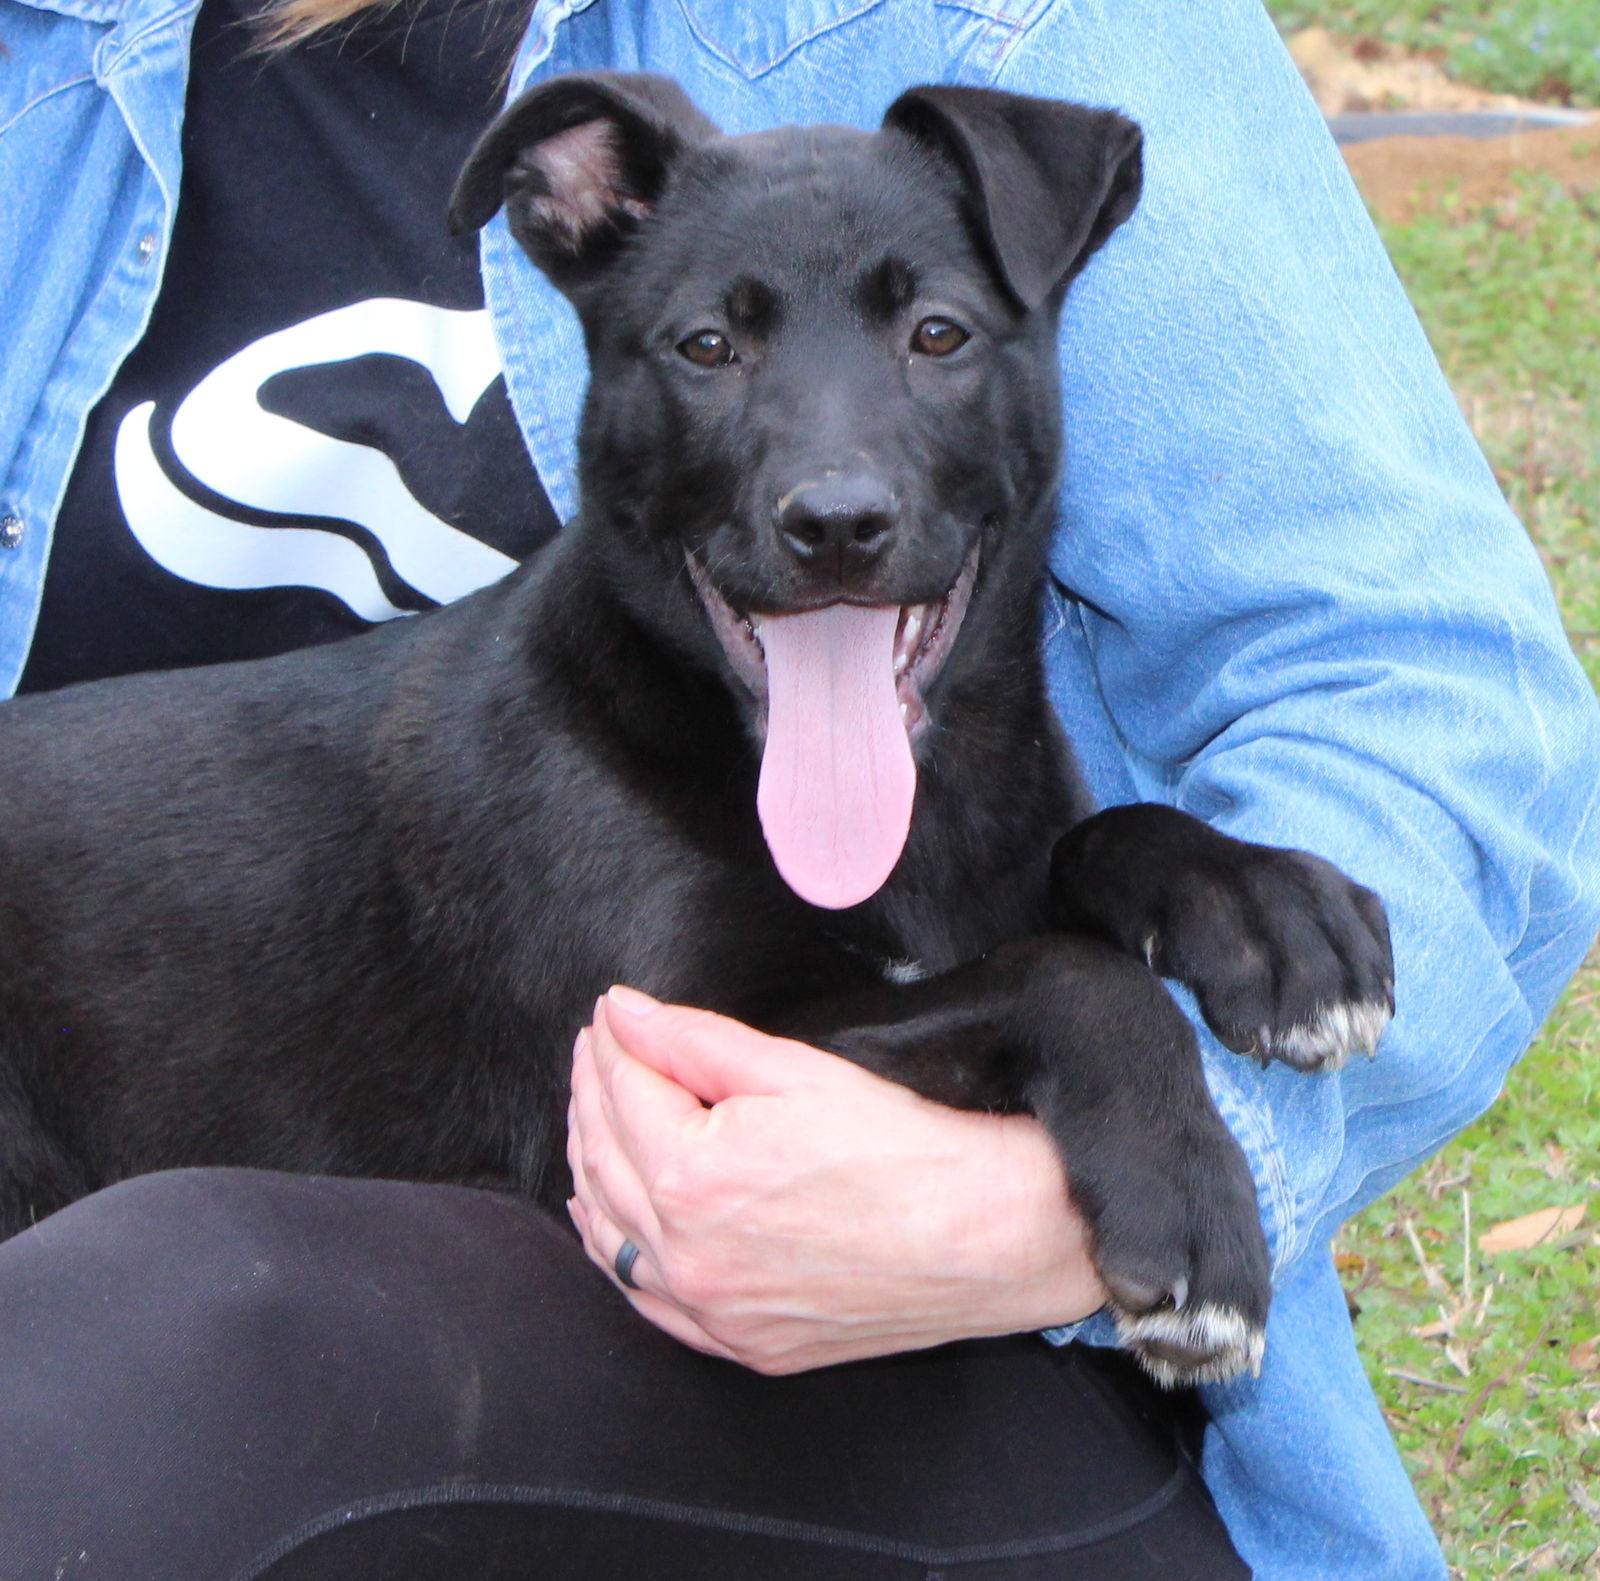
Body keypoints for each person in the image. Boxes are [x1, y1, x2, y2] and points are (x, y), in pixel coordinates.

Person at [1, 0, 1595, 1575]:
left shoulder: (992, 35)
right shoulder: (50, 62)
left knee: (186, 1316)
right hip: (167, 1291)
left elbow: (1429, 683)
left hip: (953, 1411)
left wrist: (1061, 1165)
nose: (833, 476)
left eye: (936, 337)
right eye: (711, 345)